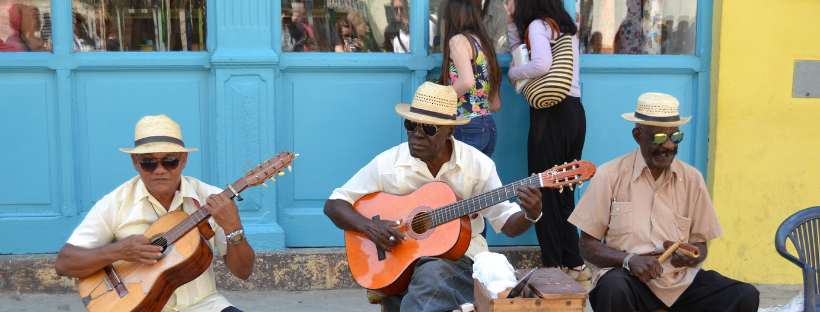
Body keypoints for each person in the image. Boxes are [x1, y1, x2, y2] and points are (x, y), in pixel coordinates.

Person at [324, 82, 543, 312]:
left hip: (461, 262)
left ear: (450, 131)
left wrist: (531, 214)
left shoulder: (478, 165)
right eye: (411, 124)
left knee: (430, 274)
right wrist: (369, 227)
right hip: (400, 263)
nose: (417, 134)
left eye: (428, 128)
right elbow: (334, 204)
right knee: (423, 282)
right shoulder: (389, 162)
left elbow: (506, 223)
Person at [568, 93, 760, 312]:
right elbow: (587, 246)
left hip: (678, 281)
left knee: (745, 295)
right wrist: (630, 260)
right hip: (628, 277)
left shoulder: (692, 178)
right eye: (659, 138)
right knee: (612, 288)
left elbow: (700, 247)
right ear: (638, 135)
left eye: (676, 137)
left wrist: (690, 256)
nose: (669, 145)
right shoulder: (610, 175)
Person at [54, 115, 255, 312]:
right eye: (149, 162)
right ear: (135, 162)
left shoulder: (211, 200)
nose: (159, 170)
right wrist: (119, 251)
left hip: (204, 305)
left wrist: (234, 228)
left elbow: (243, 272)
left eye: (169, 161)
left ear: (183, 160)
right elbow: (64, 263)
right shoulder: (115, 203)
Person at [505, 0, 587, 280]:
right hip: (575, 113)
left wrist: (513, 73)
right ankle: (575, 264)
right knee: (564, 192)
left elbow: (538, 64)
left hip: (550, 114)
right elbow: (523, 52)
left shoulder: (539, 26)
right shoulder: (564, 29)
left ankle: (553, 267)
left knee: (544, 191)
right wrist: (510, 22)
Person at [439, 0, 502, 157]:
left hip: (466, 125)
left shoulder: (458, 40)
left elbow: (467, 81)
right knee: (479, 181)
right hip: (488, 126)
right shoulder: (485, 45)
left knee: (458, 180)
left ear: (451, 18)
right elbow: (495, 105)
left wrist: (438, 100)